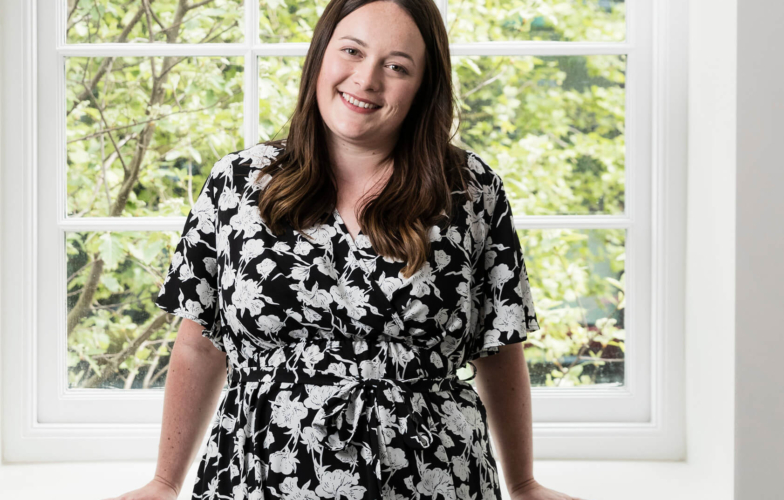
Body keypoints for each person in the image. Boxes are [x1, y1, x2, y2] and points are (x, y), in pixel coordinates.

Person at [105, 0, 587, 499]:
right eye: (352, 51)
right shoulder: (239, 184)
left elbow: (501, 348)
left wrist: (524, 484)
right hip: (255, 479)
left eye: (396, 66)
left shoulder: (470, 190)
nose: (366, 79)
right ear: (320, 57)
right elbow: (199, 344)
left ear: (423, 86)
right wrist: (164, 482)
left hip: (436, 480)